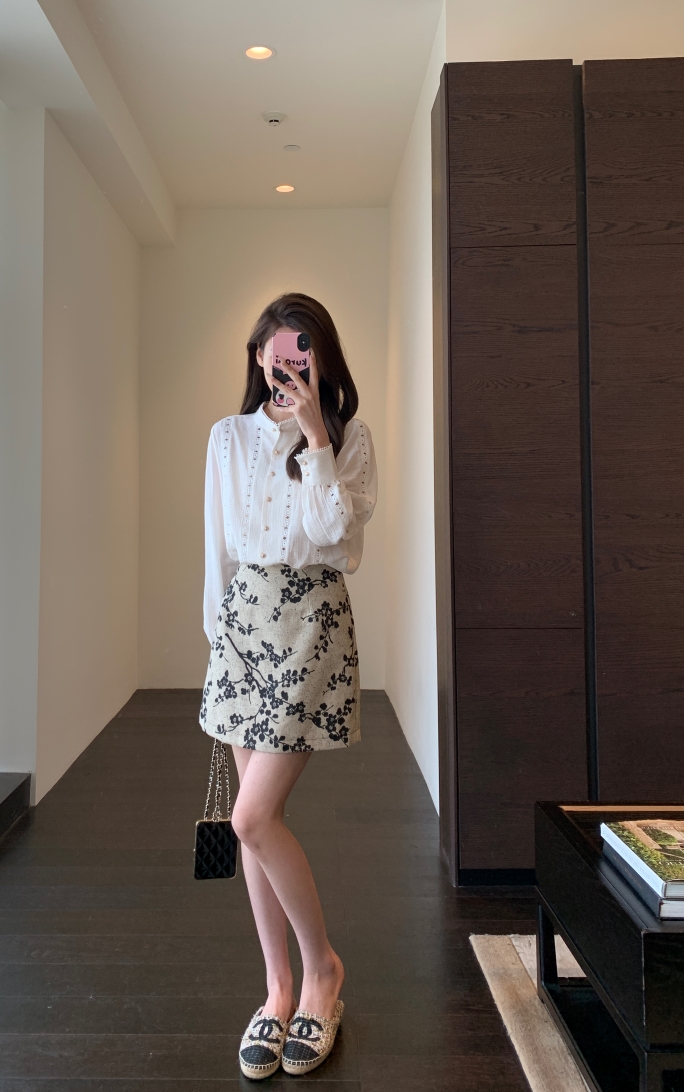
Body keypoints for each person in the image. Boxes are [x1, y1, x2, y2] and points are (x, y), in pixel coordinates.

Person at [199, 293, 377, 1079]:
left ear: (322, 359)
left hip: (311, 626)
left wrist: (315, 437)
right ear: (258, 358)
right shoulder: (227, 437)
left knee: (251, 815)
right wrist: (216, 640)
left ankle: (322, 970)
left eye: (303, 357)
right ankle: (278, 991)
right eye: (277, 357)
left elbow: (337, 539)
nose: (288, 369)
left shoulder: (349, 438)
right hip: (242, 627)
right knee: (253, 826)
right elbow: (218, 548)